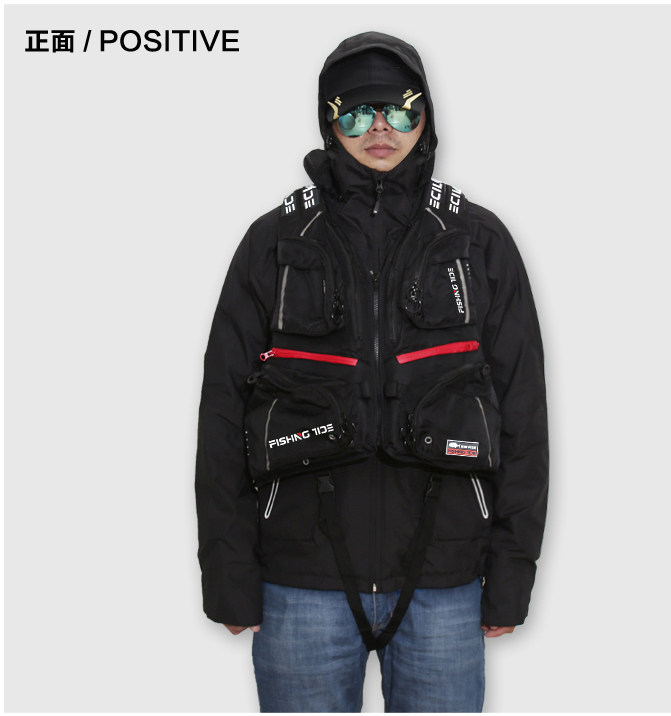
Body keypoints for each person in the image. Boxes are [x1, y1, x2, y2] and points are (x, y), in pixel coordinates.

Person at [195, 31, 549, 713]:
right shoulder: (273, 242)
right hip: (299, 584)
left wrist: (511, 576)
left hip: (446, 583)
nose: (380, 128)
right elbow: (221, 413)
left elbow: (523, 413)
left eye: (399, 109)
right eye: (357, 112)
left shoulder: (479, 241)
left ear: (427, 117)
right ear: (329, 121)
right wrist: (229, 576)